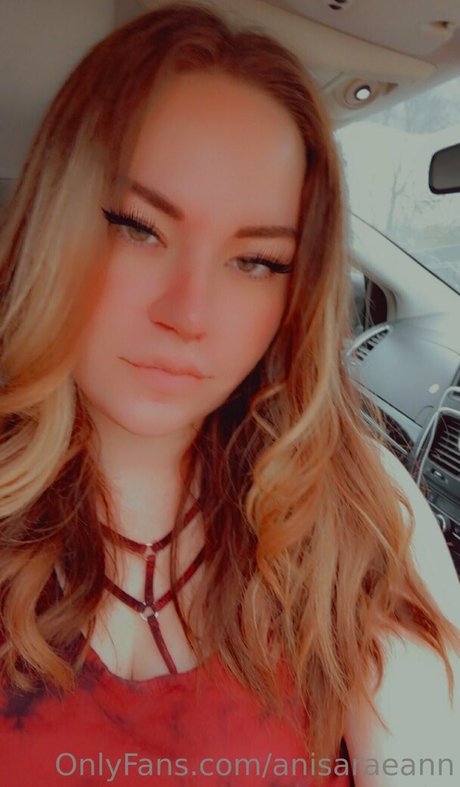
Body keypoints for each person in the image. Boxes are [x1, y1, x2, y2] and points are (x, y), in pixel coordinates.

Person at [0, 3, 459, 786]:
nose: (188, 314)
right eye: (137, 227)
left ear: (297, 290)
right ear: (55, 222)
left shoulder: (360, 512)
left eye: (256, 262)